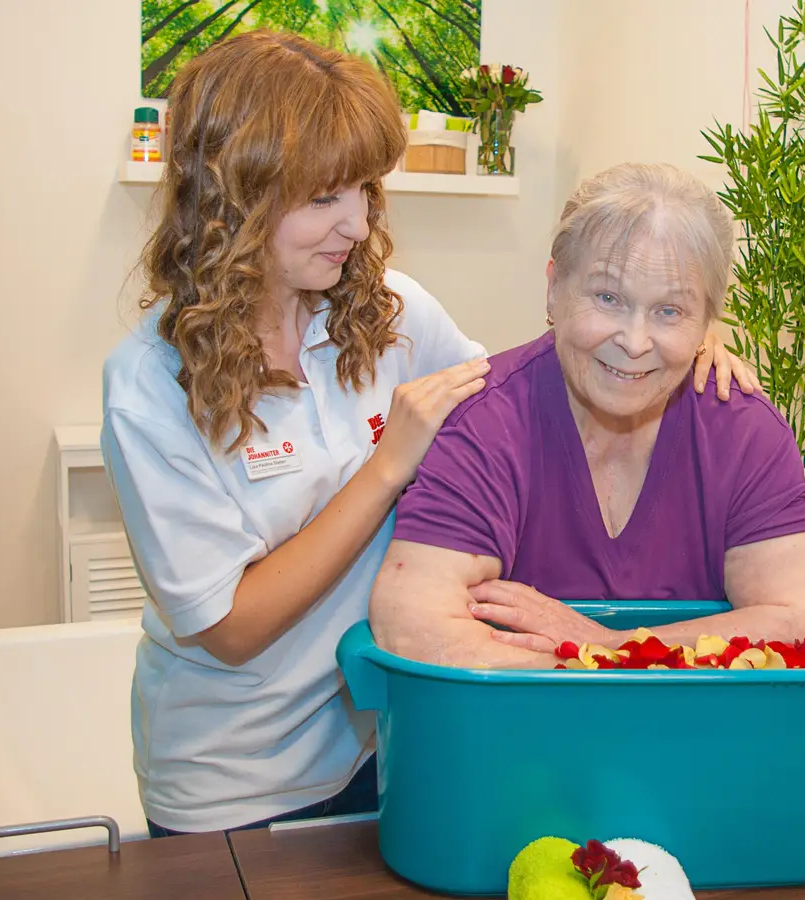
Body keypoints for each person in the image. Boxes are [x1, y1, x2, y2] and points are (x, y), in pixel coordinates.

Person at [99, 33, 758, 836]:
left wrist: (676, 338)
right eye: (322, 198)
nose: (357, 222)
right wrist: (385, 468)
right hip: (236, 780)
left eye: (366, 190)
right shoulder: (149, 383)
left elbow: (533, 386)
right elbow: (231, 626)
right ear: (233, 196)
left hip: (382, 741)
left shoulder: (392, 312)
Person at [369, 163, 805, 667]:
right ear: (555, 288)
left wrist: (612, 649)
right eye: (607, 298)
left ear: (708, 319)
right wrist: (610, 662)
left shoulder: (742, 429)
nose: (635, 342)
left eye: (670, 311)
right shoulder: (488, 425)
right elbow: (411, 625)